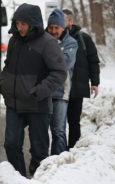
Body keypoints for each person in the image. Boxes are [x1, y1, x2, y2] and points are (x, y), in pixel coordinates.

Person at [0, 3, 67, 177]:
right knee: (11, 145)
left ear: (33, 24)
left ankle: (38, 177)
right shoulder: (14, 40)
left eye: (23, 24)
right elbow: (8, 66)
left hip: (37, 104)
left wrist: (39, 91)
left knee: (39, 150)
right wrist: (2, 83)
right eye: (17, 23)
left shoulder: (48, 42)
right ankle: (18, 178)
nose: (19, 27)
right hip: (14, 103)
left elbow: (59, 73)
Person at [62, 9, 101, 150]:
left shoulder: (84, 39)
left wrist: (95, 83)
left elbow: (93, 61)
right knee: (59, 124)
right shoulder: (54, 38)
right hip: (60, 89)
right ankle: (59, 151)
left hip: (77, 88)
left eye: (63, 20)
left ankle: (72, 149)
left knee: (74, 122)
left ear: (71, 22)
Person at [46, 9, 77, 155]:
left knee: (58, 131)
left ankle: (56, 161)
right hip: (43, 92)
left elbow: (64, 64)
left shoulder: (71, 43)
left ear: (62, 27)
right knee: (40, 131)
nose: (53, 31)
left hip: (60, 93)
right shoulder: (42, 40)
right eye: (50, 27)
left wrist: (47, 58)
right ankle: (40, 161)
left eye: (56, 28)